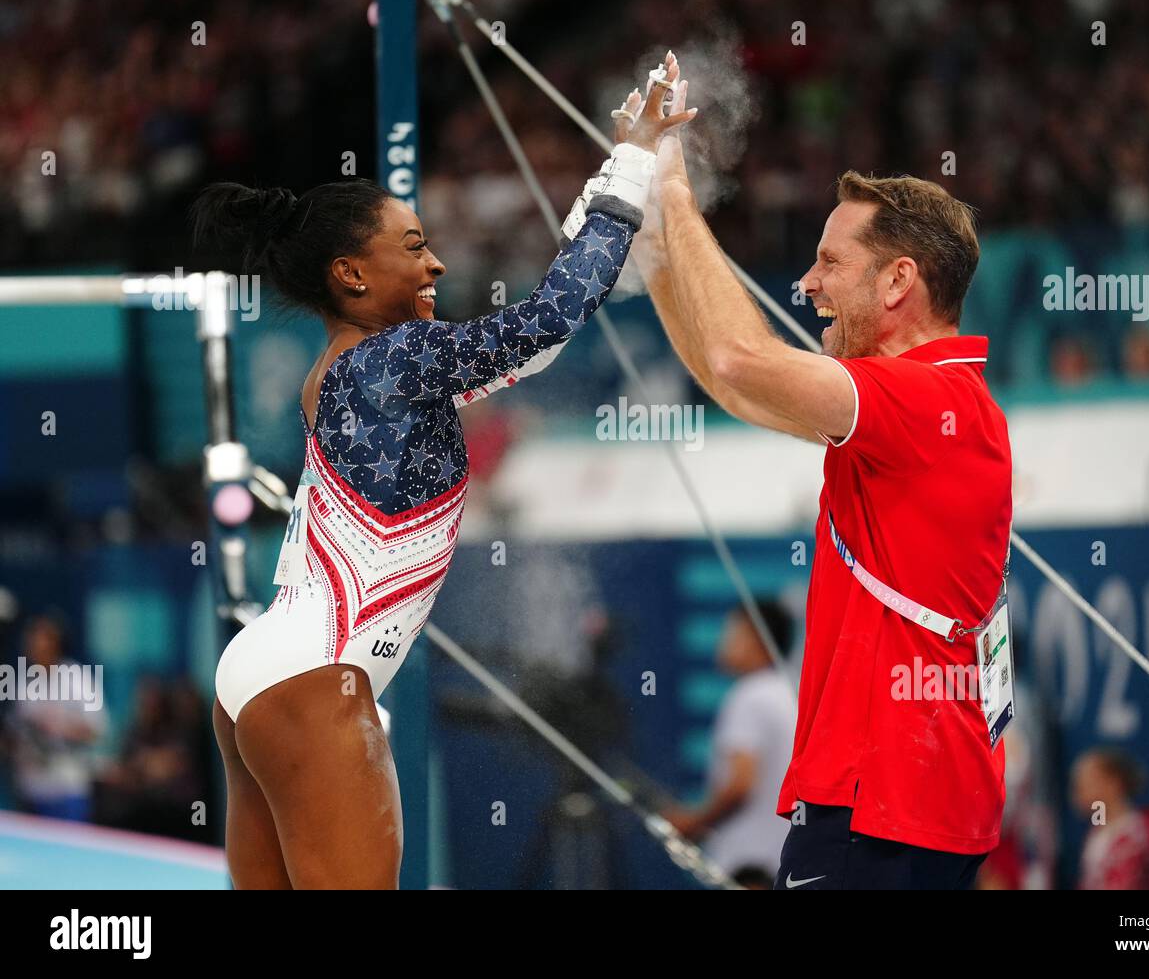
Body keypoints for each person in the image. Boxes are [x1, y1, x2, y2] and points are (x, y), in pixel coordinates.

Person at [195, 52, 694, 889]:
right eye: (415, 247)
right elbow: (546, 321)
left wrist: (614, 167)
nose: (436, 267)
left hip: (259, 676)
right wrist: (637, 157)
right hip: (317, 679)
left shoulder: (352, 368)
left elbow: (533, 333)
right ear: (350, 275)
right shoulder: (395, 359)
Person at [618, 65, 1011, 889]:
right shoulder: (913, 411)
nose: (807, 284)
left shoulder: (927, 398)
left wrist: (679, 192)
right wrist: (652, 234)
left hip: (888, 809)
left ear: (899, 279)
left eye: (831, 262)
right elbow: (731, 382)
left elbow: (739, 353)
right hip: (888, 803)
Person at [662, 599, 798, 886]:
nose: (724, 642)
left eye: (734, 633)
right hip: (781, 860)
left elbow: (741, 785)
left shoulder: (749, 696)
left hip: (749, 867)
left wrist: (694, 822)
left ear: (757, 639)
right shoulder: (786, 692)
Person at [4, 614, 109, 822]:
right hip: (30, 789)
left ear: (55, 643)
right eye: (31, 637)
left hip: (66, 788)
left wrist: (57, 729)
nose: (32, 643)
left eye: (39, 637)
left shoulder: (77, 678)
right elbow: (16, 732)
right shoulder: (25, 682)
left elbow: (98, 729)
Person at [1071, 747, 1149, 890]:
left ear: (1113, 784)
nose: (1077, 793)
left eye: (1084, 784)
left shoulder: (1133, 835)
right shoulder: (1098, 828)